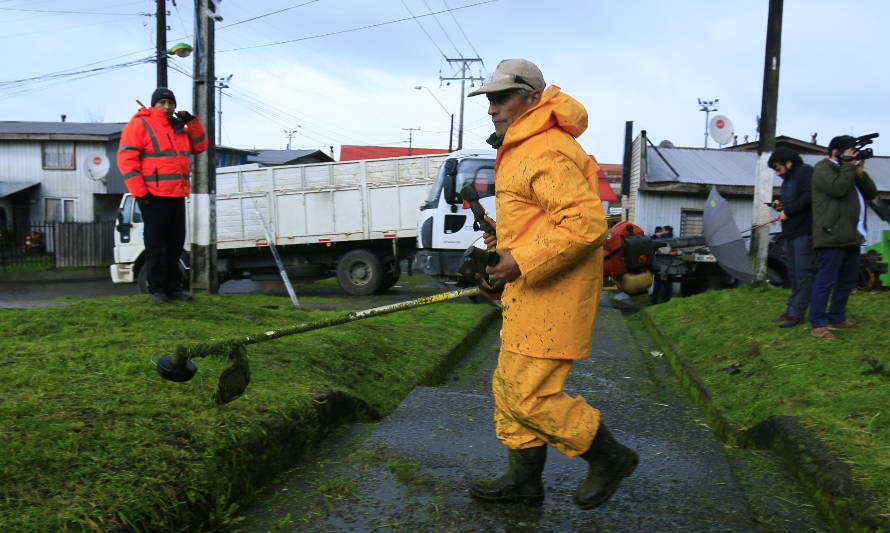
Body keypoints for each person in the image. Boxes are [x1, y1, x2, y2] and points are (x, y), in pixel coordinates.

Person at [466, 58, 638, 509]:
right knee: (508, 387)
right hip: (530, 292)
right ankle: (524, 482)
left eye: (501, 97)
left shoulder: (546, 148)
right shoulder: (521, 147)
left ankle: (610, 456)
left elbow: (585, 224)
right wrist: (503, 241)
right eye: (489, 99)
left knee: (528, 395)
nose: (492, 108)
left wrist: (519, 259)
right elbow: (542, 219)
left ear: (531, 97)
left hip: (553, 294)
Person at [117, 87, 208, 303]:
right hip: (152, 196)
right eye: (162, 103)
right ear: (154, 105)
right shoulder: (140, 123)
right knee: (156, 246)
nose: (167, 107)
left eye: (170, 103)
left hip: (176, 194)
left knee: (175, 245)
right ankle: (156, 289)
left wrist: (192, 122)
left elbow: (200, 145)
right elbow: (126, 159)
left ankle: (173, 289)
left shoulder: (180, 128)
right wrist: (140, 192)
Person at [809, 135, 877, 339]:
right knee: (825, 281)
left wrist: (859, 173)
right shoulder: (822, 168)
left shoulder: (848, 170)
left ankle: (837, 318)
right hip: (831, 236)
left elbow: (871, 192)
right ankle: (818, 324)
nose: (853, 155)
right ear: (835, 152)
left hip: (850, 236)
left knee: (847, 281)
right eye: (849, 152)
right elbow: (837, 189)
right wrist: (848, 166)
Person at [767, 148, 816, 328]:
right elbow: (793, 203)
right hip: (790, 233)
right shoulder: (787, 180)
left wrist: (788, 210)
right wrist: (781, 206)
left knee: (803, 274)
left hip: (805, 232)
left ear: (789, 162)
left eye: (778, 168)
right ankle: (791, 310)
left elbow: (809, 197)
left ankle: (797, 313)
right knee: (793, 274)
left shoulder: (806, 172)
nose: (777, 173)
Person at [650, 225, 674, 304]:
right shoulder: (672, 237)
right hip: (669, 264)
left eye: (663, 230)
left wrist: (656, 235)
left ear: (666, 231)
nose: (661, 232)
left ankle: (657, 300)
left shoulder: (664, 237)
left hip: (662, 264)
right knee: (667, 283)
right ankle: (665, 300)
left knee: (661, 282)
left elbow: (650, 241)